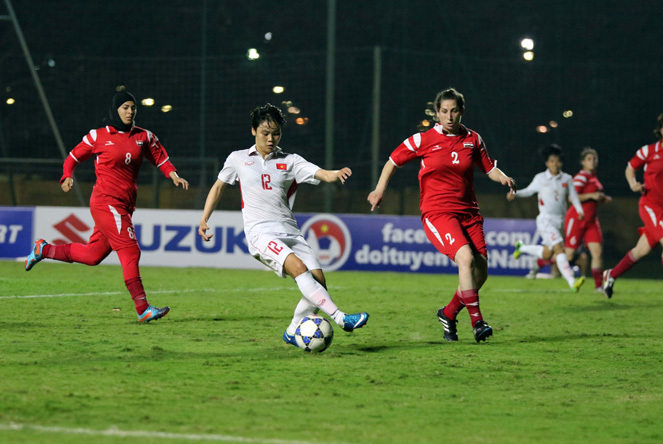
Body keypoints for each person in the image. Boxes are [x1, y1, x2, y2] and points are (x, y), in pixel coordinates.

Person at [198, 104, 369, 348]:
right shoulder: (237, 159)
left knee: (318, 280)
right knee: (298, 268)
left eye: (276, 133)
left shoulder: (290, 161)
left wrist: (336, 173)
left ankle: (292, 331)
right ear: (253, 131)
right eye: (265, 133)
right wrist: (205, 218)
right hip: (260, 233)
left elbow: (321, 173)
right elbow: (218, 187)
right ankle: (341, 318)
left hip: (290, 231)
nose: (270, 138)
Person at [24, 90, 189, 322]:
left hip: (125, 205)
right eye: (125, 107)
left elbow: (160, 157)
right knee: (131, 251)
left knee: (93, 255)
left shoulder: (144, 136)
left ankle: (44, 249)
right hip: (106, 202)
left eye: (133, 108)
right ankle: (143, 309)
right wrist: (66, 175)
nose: (130, 112)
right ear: (115, 109)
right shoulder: (98, 136)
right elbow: (72, 157)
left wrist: (173, 175)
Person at [367, 87, 516, 343]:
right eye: (444, 111)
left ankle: (448, 314)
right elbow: (392, 160)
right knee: (465, 258)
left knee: (482, 272)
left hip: (469, 213)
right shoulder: (423, 140)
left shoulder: (473, 139)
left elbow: (489, 168)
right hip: (438, 213)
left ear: (462, 112)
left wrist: (503, 179)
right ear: (437, 113)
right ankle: (477, 322)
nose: (449, 116)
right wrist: (379, 190)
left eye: (454, 111)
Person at [603, 108, 663, 303]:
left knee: (642, 251)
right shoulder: (648, 151)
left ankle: (611, 275)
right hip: (650, 205)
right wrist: (632, 183)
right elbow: (630, 168)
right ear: (661, 131)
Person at [510, 144, 586, 292]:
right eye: (551, 161)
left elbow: (574, 197)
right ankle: (572, 282)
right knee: (559, 249)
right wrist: (515, 193)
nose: (554, 164)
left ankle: (522, 247)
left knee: (547, 254)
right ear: (547, 163)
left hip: (560, 221)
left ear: (561, 162)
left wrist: (579, 210)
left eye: (557, 161)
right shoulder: (540, 178)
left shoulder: (567, 179)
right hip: (545, 220)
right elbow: (529, 191)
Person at [564, 147, 611, 293]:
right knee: (569, 254)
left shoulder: (593, 177)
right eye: (589, 159)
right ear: (583, 162)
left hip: (591, 221)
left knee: (597, 253)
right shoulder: (581, 177)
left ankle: (598, 286)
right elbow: (572, 197)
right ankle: (541, 261)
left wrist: (601, 199)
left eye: (594, 159)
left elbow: (594, 196)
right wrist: (592, 196)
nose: (592, 161)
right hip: (577, 218)